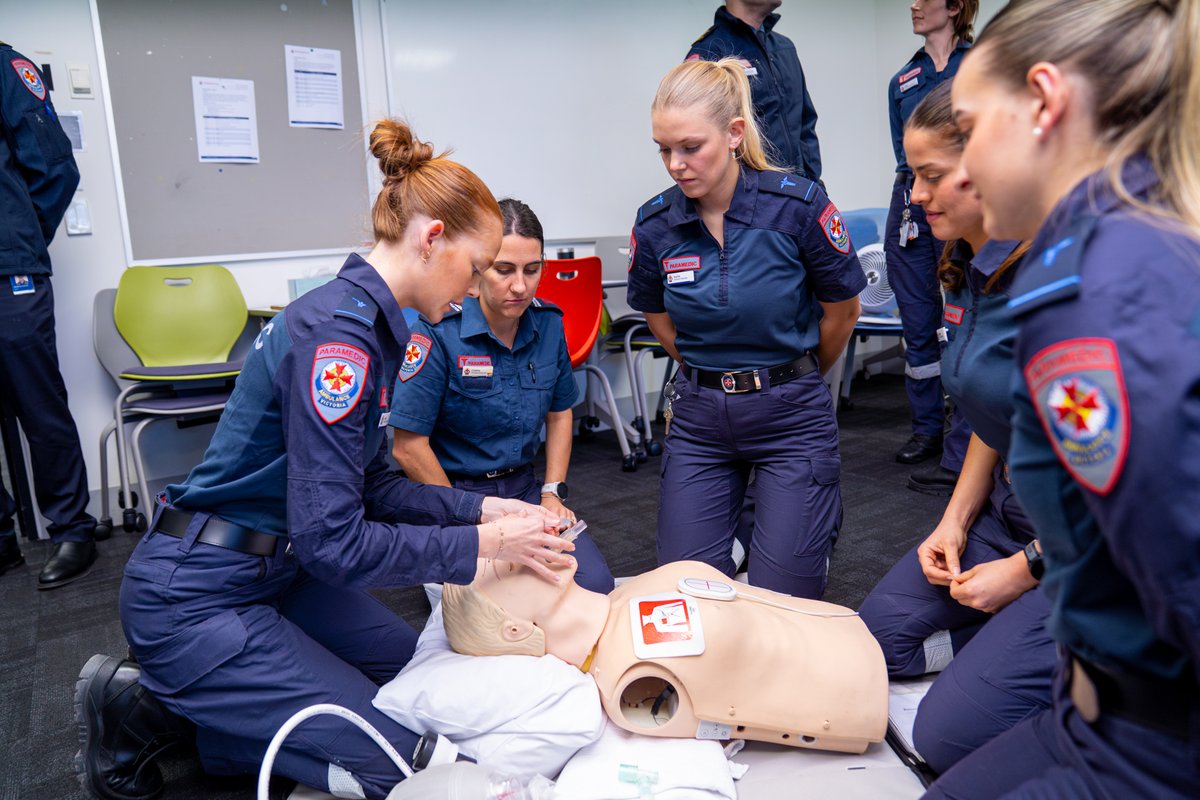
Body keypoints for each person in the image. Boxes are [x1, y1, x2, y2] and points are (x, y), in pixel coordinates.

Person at [73, 120, 576, 800]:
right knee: (408, 761)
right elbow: (335, 543)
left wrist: (481, 508)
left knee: (419, 683)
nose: (476, 287)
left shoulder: (368, 323)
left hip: (282, 570)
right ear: (432, 239)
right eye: (478, 265)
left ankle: (214, 716)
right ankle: (143, 706)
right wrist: (483, 545)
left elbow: (370, 486)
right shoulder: (338, 340)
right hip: (199, 594)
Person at [923, 1, 1200, 797]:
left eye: (970, 128)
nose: (963, 168)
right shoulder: (1135, 237)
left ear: (1044, 102)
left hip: (1152, 743)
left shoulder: (1089, 300)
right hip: (1098, 701)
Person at [856, 82, 1053, 775]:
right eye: (911, 175)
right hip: (1005, 515)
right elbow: (992, 416)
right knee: (877, 643)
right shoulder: (966, 265)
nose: (913, 195)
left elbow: (1126, 493)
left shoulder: (1055, 286)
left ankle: (1056, 665)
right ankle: (1001, 651)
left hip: (1076, 548)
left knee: (946, 738)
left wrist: (1025, 571)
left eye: (930, 175)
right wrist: (955, 520)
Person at [627, 58, 864, 599]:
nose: (675, 165)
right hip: (700, 419)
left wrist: (796, 372)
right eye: (663, 149)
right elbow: (656, 313)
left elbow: (842, 312)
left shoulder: (796, 206)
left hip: (791, 415)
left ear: (734, 134)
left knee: (784, 600)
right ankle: (738, 536)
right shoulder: (656, 224)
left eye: (691, 147)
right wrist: (706, 370)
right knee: (687, 592)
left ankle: (794, 527)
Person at [390, 198, 614, 593]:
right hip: (454, 495)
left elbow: (560, 412)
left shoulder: (548, 324)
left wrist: (552, 493)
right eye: (504, 270)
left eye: (532, 269)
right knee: (494, 601)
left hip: (524, 491)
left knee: (593, 585)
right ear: (478, 267)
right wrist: (465, 516)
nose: (520, 286)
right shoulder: (439, 331)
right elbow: (408, 448)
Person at [441, 557, 888, 754]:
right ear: (516, 629)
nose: (530, 551)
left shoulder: (622, 600)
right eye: (510, 564)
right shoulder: (633, 673)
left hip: (845, 627)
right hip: (865, 687)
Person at [0, 42, 103, 589]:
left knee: (38, 404)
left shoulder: (3, 65)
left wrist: (19, 233)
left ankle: (72, 530)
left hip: (8, 268)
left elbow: (54, 167)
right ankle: (2, 539)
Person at [885, 1, 978, 491]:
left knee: (968, 321)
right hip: (912, 203)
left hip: (968, 199)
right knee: (918, 321)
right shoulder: (902, 80)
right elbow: (904, 158)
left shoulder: (982, 66)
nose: (915, 5)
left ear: (956, 6)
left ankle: (970, 438)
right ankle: (927, 430)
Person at [686, 1, 822, 182]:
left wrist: (814, 186)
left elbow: (806, 124)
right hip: (749, 193)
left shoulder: (784, 48)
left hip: (797, 189)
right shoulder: (710, 53)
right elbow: (698, 139)